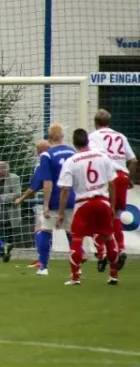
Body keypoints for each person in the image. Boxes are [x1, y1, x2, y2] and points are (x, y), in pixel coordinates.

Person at [57, 128, 120, 285]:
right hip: (102, 201)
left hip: (83, 203)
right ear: (88, 141)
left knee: (77, 238)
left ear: (74, 142)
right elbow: (112, 183)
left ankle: (75, 277)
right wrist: (111, 205)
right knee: (108, 237)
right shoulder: (102, 157)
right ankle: (113, 275)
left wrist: (61, 213)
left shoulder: (72, 161)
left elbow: (65, 189)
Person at [88, 109, 137, 270]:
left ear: (96, 123)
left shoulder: (94, 136)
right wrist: (129, 177)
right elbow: (134, 160)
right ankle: (120, 249)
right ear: (109, 122)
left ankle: (102, 253)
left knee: (98, 214)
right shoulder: (120, 136)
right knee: (116, 215)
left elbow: (94, 157)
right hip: (121, 176)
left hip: (106, 176)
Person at [34, 123, 79, 276]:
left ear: (49, 137)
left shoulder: (47, 155)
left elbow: (47, 183)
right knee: (72, 232)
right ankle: (77, 267)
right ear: (62, 136)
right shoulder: (72, 151)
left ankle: (44, 267)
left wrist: (46, 205)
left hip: (55, 198)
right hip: (72, 198)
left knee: (44, 229)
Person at [14, 140, 50, 268]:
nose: (36, 152)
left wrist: (21, 199)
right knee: (68, 230)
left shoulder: (42, 163)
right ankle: (82, 253)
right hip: (66, 197)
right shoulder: (57, 159)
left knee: (40, 229)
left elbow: (35, 186)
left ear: (40, 150)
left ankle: (42, 260)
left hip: (50, 199)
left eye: (37, 149)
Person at [0, 161, 21, 257]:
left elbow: (17, 194)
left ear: (7, 169)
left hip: (8, 210)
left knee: (8, 234)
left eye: (1, 168)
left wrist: (0, 198)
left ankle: (5, 254)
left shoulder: (14, 178)